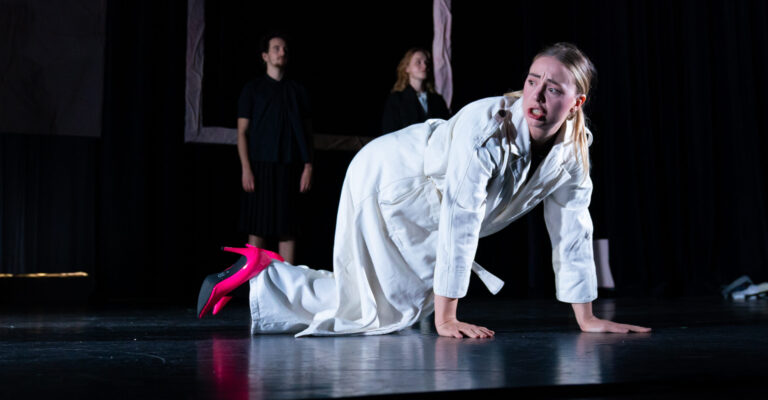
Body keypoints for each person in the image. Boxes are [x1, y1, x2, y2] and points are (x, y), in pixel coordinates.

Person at [198, 42, 651, 338]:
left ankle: (261, 273)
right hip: (389, 182)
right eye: (533, 81)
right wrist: (448, 317)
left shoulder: (573, 151)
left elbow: (573, 227)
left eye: (553, 89)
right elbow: (461, 216)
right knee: (372, 313)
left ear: (577, 102)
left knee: (378, 308)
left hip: (423, 208)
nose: (536, 95)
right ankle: (262, 277)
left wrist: (586, 317)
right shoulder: (487, 127)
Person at [235, 32, 313, 265]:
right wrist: (246, 168)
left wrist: (308, 166)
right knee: (257, 227)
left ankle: (287, 291)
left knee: (287, 229)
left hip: (290, 166)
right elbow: (242, 133)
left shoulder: (298, 91)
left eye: (284, 49)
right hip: (260, 167)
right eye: (277, 48)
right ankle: (254, 290)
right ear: (265, 55)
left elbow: (307, 134)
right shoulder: (252, 89)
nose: (282, 52)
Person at [381, 48, 451, 134]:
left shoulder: (438, 100)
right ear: (407, 68)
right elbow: (389, 133)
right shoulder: (396, 99)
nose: (424, 66)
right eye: (418, 62)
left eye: (426, 62)